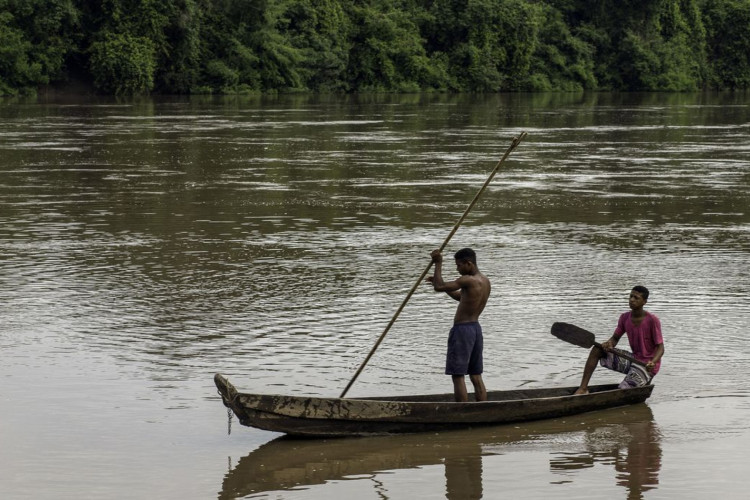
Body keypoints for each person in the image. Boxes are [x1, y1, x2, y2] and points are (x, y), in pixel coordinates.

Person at [574, 286, 665, 395]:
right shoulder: (624, 318)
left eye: (636, 298)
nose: (631, 299)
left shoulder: (652, 320)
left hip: (647, 365)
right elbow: (615, 338)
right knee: (597, 349)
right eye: (631, 296)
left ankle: (644, 378)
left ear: (644, 302)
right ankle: (583, 388)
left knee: (623, 390)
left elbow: (661, 348)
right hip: (633, 359)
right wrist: (609, 344)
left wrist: (653, 362)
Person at [427, 248, 491, 402]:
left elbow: (439, 286)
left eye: (459, 265)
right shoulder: (485, 281)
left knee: (458, 375)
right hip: (475, 329)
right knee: (475, 374)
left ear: (468, 263)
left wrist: (438, 263)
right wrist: (438, 283)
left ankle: (462, 411)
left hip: (463, 330)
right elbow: (460, 297)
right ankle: (483, 409)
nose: (457, 269)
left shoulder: (467, 280)